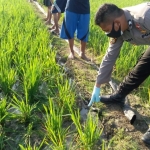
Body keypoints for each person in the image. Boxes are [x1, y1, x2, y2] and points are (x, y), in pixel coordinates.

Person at [88, 3, 150, 144]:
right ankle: (119, 96)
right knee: (139, 70)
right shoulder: (120, 29)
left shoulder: (145, 16)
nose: (108, 34)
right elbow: (110, 57)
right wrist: (97, 85)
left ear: (116, 23)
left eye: (107, 30)